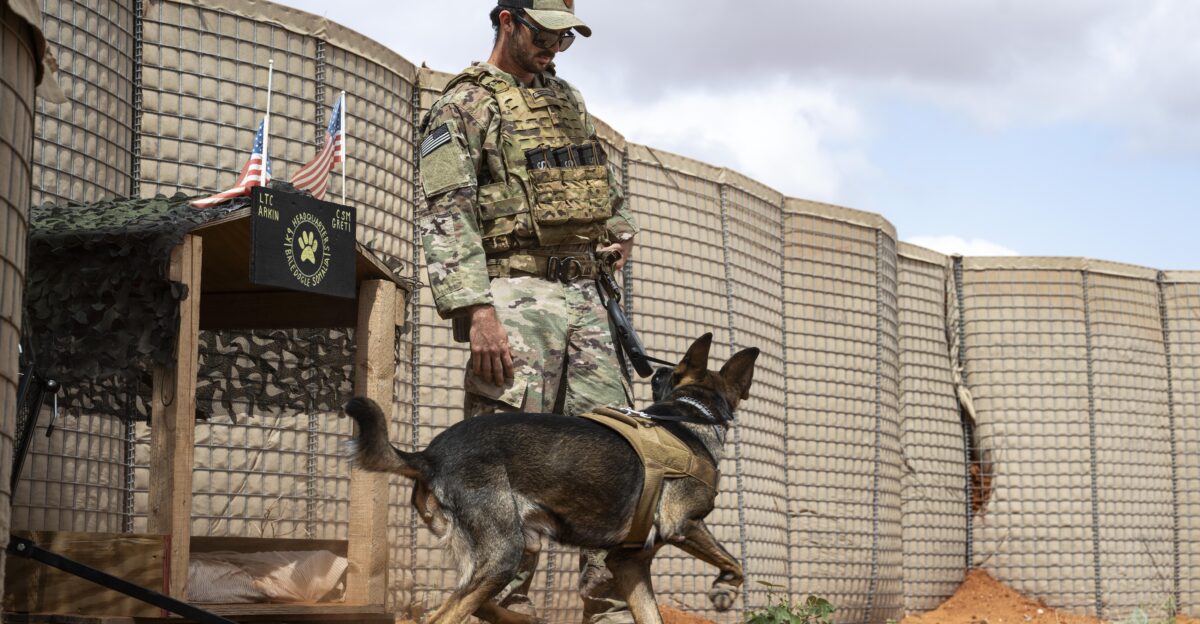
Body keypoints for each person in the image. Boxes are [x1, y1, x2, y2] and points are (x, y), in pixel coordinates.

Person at [415, 1, 639, 623]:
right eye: (544, 35)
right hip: (514, 297)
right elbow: (447, 211)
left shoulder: (566, 100)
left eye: (566, 39)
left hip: (587, 300)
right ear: (508, 20)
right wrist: (477, 311)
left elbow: (600, 185)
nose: (553, 49)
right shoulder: (464, 104)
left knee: (613, 453)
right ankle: (503, 607)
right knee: (511, 464)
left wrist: (619, 234)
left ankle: (611, 609)